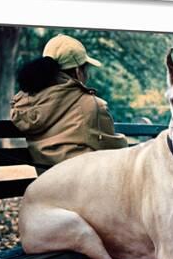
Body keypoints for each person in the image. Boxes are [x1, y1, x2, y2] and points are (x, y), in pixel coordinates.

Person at [10, 34, 128, 166]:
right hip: (81, 183)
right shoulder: (91, 106)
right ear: (78, 71)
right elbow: (117, 151)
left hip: (45, 182)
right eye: (86, 68)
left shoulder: (26, 104)